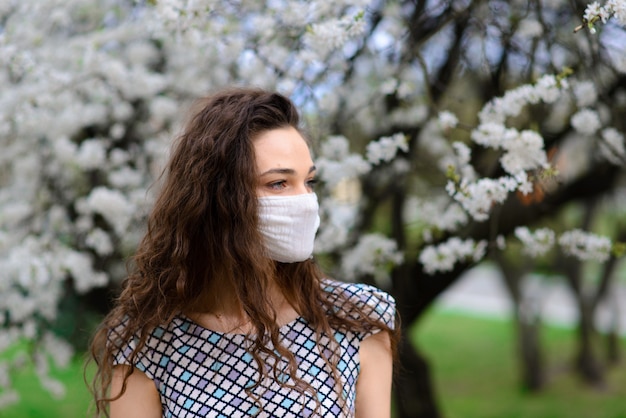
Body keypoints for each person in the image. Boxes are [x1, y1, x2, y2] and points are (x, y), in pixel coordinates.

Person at [89, 87, 398, 418]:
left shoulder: (359, 318)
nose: (304, 201)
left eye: (309, 182)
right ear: (218, 200)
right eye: (278, 183)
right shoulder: (147, 342)